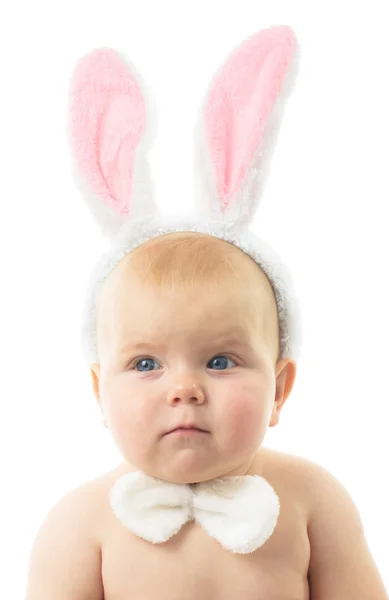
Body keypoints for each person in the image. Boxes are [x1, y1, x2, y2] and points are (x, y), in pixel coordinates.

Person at [24, 25, 388, 599]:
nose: (186, 389)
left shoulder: (314, 502)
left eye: (221, 360)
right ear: (99, 391)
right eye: (145, 364)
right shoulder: (80, 526)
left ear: (280, 387)